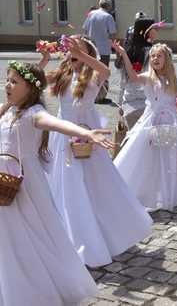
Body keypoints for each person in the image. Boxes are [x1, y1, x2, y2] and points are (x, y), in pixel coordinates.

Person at [0, 62, 112, 305]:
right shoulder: (5, 111)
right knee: (8, 238)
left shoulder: (34, 114)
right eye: (7, 80)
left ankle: (43, 286)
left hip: (27, 186)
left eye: (14, 82)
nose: (7, 86)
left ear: (30, 88)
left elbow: (57, 124)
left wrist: (86, 134)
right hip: (2, 185)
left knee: (36, 233)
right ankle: (15, 289)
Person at [39, 36, 152, 267]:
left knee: (95, 183)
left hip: (85, 132)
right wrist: (44, 59)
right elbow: (35, 80)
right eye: (70, 51)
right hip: (62, 135)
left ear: (85, 53)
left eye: (77, 51)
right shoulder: (64, 74)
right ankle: (69, 234)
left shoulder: (92, 74)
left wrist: (82, 55)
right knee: (65, 185)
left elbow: (105, 71)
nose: (72, 55)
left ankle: (102, 231)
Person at [113, 42, 177, 210]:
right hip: (153, 122)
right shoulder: (149, 78)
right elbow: (133, 77)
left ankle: (169, 191)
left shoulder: (172, 81)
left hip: (171, 124)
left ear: (167, 59)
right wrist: (123, 54)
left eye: (159, 56)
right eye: (152, 56)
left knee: (170, 158)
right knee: (148, 157)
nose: (155, 58)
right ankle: (144, 191)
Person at [116, 17, 161, 128]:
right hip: (148, 103)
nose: (157, 31)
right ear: (147, 31)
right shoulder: (154, 53)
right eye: (154, 28)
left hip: (129, 103)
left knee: (133, 138)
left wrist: (120, 103)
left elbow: (123, 81)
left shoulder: (127, 51)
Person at [82, 0, 117, 103]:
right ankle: (100, 96)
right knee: (103, 73)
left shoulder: (91, 14)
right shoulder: (108, 17)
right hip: (103, 49)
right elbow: (112, 33)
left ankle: (90, 95)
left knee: (90, 72)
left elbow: (84, 29)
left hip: (91, 48)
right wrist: (114, 46)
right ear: (109, 6)